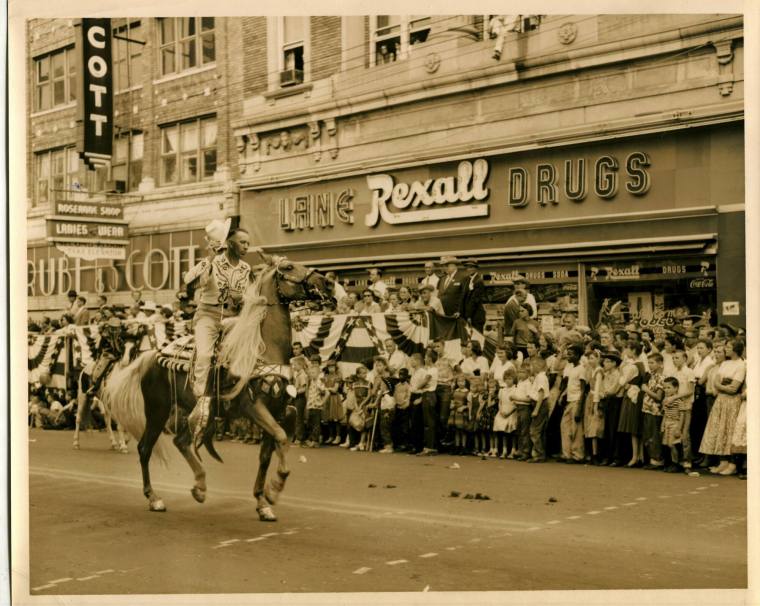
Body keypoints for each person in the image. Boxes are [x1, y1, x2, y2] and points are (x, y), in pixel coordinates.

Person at [183, 219, 255, 443]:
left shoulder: (246, 268)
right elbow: (189, 282)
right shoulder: (212, 262)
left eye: (248, 243)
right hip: (208, 316)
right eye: (242, 243)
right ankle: (200, 401)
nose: (246, 247)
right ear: (230, 244)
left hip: (234, 319)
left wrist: (247, 300)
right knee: (205, 354)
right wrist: (211, 259)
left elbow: (250, 295)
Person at [700, 339, 746, 476]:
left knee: (729, 429)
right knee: (719, 429)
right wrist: (723, 386)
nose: (726, 349)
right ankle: (722, 462)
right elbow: (716, 382)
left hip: (732, 401)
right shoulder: (725, 363)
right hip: (721, 400)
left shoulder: (741, 365)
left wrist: (722, 386)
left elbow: (734, 388)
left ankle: (732, 463)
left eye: (729, 347)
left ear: (736, 349)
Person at [616, 341, 646, 467]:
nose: (626, 352)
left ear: (633, 350)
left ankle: (635, 457)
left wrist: (622, 369)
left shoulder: (633, 366)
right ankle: (638, 456)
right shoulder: (640, 364)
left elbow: (622, 381)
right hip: (635, 394)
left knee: (633, 427)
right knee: (635, 428)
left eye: (628, 349)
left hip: (633, 395)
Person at [559, 344, 586, 463]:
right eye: (568, 353)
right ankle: (567, 453)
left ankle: (577, 455)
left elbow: (583, 389)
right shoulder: (570, 367)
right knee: (564, 426)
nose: (568, 356)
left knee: (576, 429)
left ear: (578, 355)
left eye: (571, 354)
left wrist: (580, 407)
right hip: (569, 400)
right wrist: (562, 396)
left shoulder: (582, 369)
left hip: (576, 400)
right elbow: (568, 385)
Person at [86, 315, 124, 396]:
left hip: (119, 356)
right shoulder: (105, 336)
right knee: (103, 368)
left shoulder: (120, 336)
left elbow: (122, 347)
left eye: (117, 328)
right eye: (113, 328)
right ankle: (95, 386)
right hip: (107, 356)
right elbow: (100, 348)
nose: (115, 330)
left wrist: (120, 354)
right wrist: (99, 357)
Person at [640, 352, 665, 470]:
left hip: (655, 410)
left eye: (652, 363)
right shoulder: (652, 376)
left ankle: (657, 459)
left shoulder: (661, 377)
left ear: (660, 364)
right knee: (648, 434)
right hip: (647, 408)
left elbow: (659, 396)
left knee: (654, 435)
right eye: (649, 363)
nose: (650, 365)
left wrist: (646, 389)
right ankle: (652, 458)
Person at [582, 350, 605, 464]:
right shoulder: (591, 370)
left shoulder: (599, 371)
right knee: (589, 426)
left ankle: (596, 454)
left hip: (596, 399)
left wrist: (595, 404)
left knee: (595, 428)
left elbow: (597, 389)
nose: (590, 361)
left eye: (592, 358)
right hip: (590, 398)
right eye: (589, 358)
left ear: (598, 358)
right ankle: (591, 453)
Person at [527, 358, 550, 462]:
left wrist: (536, 410)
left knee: (535, 430)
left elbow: (541, 393)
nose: (530, 368)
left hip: (540, 405)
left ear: (537, 366)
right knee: (538, 430)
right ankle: (538, 453)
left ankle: (539, 454)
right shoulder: (539, 377)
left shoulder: (541, 377)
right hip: (539, 404)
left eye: (531, 365)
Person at [661, 377, 684, 473]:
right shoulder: (665, 400)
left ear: (676, 388)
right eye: (665, 388)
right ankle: (669, 463)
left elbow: (682, 414)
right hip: (667, 422)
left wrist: (679, 428)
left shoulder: (679, 400)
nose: (666, 390)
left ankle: (676, 463)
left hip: (675, 422)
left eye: (669, 388)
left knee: (672, 444)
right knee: (665, 443)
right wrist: (662, 424)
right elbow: (665, 413)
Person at [495, 370, 518, 458]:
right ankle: (504, 450)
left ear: (514, 379)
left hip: (511, 412)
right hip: (503, 412)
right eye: (506, 379)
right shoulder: (502, 390)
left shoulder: (516, 389)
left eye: (510, 379)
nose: (508, 381)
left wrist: (509, 412)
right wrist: (501, 411)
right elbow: (500, 402)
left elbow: (516, 404)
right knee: (503, 432)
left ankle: (513, 450)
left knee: (512, 432)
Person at [305, 363, 328, 448]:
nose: (311, 374)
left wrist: (322, 402)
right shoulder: (312, 381)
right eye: (310, 373)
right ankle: (313, 439)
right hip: (311, 405)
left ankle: (315, 440)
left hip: (317, 406)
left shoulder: (319, 382)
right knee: (311, 423)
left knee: (316, 424)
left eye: (313, 373)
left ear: (318, 373)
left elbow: (326, 393)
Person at [461, 259, 486, 332]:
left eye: (472, 267)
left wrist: (469, 316)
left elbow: (475, 300)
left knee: (477, 338)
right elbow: (463, 297)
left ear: (476, 268)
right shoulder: (466, 280)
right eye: (468, 267)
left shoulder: (479, 281)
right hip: (468, 316)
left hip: (476, 316)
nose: (469, 269)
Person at [451, 374, 470, 455]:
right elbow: (452, 399)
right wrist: (451, 404)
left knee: (462, 430)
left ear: (465, 382)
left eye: (462, 381)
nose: (460, 383)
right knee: (456, 430)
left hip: (462, 412)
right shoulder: (455, 391)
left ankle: (463, 447)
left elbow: (469, 403)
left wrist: (464, 407)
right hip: (455, 411)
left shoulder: (467, 392)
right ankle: (457, 447)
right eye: (459, 381)